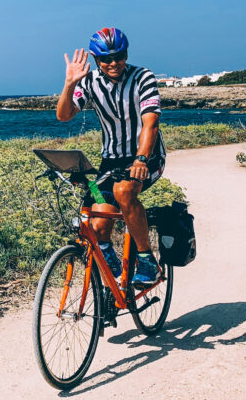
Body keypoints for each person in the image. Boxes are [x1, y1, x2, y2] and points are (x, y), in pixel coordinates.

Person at [55, 27, 166, 286]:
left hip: (146, 157)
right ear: (96, 60)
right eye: (106, 59)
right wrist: (70, 83)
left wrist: (141, 161)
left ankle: (147, 260)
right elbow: (64, 115)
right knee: (97, 226)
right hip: (110, 163)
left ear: (126, 54)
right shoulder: (89, 82)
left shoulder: (143, 77)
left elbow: (151, 123)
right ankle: (112, 275)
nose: (113, 63)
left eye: (119, 56)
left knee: (125, 192)